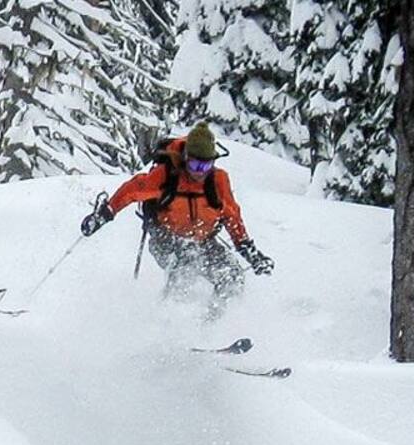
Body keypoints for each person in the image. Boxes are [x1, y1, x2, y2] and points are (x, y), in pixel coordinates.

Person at [80, 121, 274, 318]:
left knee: (232, 276)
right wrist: (104, 215)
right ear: (185, 158)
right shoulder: (166, 177)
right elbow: (132, 191)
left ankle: (209, 328)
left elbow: (232, 216)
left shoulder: (218, 182)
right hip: (166, 238)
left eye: (206, 165)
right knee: (186, 268)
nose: (200, 171)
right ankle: (165, 325)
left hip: (204, 240)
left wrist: (250, 253)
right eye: (195, 164)